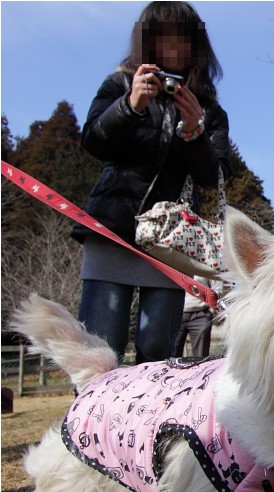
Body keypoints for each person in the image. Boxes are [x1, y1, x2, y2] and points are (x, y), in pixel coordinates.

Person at [72, 1, 232, 364]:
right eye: (163, 38)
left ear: (197, 47)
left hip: (169, 241)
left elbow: (214, 178)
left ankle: (151, 420)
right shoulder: (119, 83)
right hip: (110, 229)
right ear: (148, 43)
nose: (173, 48)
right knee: (97, 351)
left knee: (159, 351)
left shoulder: (209, 110)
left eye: (183, 39)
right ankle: (92, 421)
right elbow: (94, 143)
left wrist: (194, 133)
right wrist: (130, 105)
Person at [173, 275, 220, 358]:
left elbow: (217, 287)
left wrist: (211, 312)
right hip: (175, 313)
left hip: (201, 314)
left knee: (200, 358)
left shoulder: (207, 262)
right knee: (172, 355)